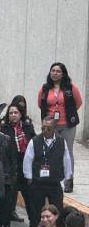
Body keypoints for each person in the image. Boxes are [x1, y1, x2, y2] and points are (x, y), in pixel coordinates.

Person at [37, 62, 82, 193]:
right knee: (51, 151)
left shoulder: (70, 88)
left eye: (58, 71)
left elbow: (78, 103)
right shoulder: (45, 88)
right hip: (50, 126)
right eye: (53, 71)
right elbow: (40, 104)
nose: (55, 73)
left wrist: (67, 113)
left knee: (67, 152)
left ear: (63, 74)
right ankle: (53, 179)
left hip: (67, 125)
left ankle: (68, 180)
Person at [24, 116, 72, 227]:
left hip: (55, 182)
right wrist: (29, 176)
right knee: (36, 210)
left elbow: (66, 160)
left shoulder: (61, 141)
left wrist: (67, 177)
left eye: (48, 128)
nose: (45, 130)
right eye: (43, 128)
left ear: (54, 128)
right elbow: (28, 160)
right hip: (38, 182)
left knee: (57, 209)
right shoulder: (34, 141)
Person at [2, 102, 37, 227]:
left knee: (30, 200)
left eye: (16, 112)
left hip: (26, 168)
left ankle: (34, 225)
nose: (13, 115)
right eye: (11, 113)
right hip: (12, 169)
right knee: (9, 200)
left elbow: (34, 143)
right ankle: (6, 226)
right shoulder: (4, 128)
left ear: (21, 114)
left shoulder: (27, 127)